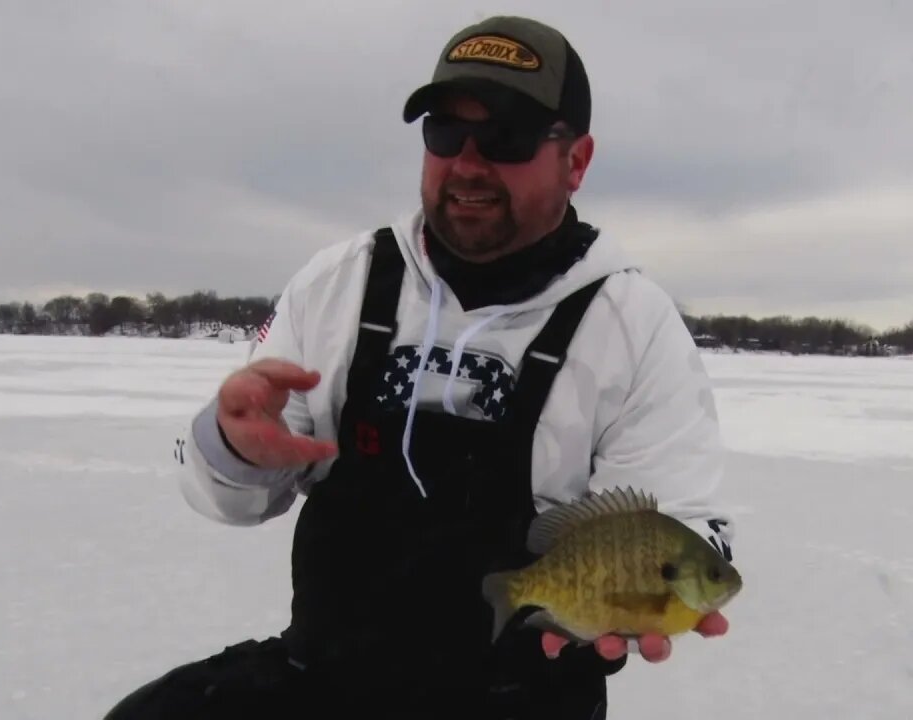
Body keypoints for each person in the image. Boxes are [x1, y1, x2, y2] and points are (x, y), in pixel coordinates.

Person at [104, 14, 737, 720]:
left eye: (506, 137)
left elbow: (680, 518)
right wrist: (230, 443)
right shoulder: (337, 285)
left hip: (523, 698)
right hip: (332, 678)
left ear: (576, 160)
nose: (468, 163)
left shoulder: (633, 326)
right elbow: (227, 498)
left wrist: (641, 597)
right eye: (444, 132)